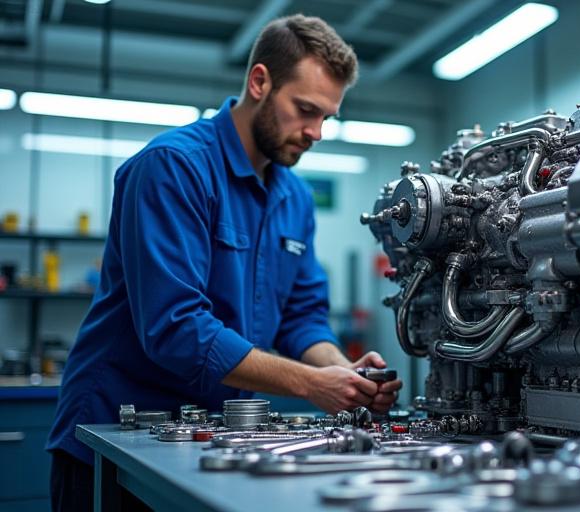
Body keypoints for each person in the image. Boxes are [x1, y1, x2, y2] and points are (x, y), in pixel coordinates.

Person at [46, 14, 401, 510]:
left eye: (327, 117)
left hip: (211, 438)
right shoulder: (172, 168)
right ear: (260, 82)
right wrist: (312, 385)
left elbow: (302, 317)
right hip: (116, 436)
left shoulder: (293, 198)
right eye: (305, 110)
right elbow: (177, 328)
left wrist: (346, 375)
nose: (316, 132)